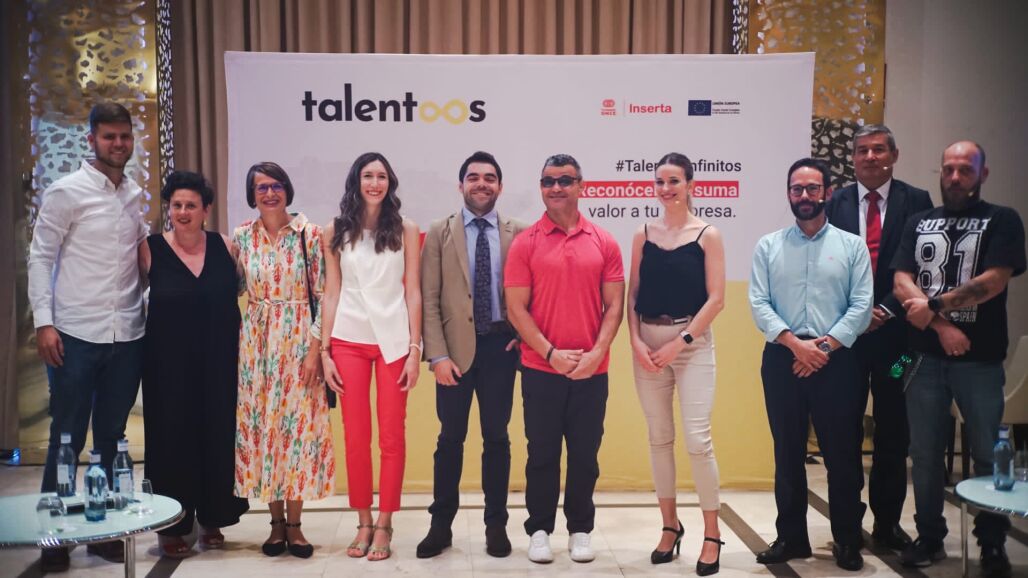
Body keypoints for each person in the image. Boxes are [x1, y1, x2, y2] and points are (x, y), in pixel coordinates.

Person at [893, 141, 1025, 577]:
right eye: (948, 168)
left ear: (982, 174)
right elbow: (901, 280)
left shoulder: (1002, 219)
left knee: (988, 454)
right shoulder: (919, 221)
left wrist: (933, 306)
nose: (954, 177)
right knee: (925, 454)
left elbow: (994, 281)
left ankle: (992, 542)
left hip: (979, 359)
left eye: (965, 169)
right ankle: (929, 537)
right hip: (921, 360)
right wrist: (941, 325)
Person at [28, 102, 148, 571]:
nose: (118, 144)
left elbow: (141, 257)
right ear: (92, 139)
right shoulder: (66, 192)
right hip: (75, 334)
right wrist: (44, 322)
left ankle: (105, 531)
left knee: (112, 439)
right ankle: (54, 537)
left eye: (124, 136)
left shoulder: (134, 195)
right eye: (109, 136)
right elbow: (41, 257)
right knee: (66, 438)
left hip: (128, 334)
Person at [749, 158, 873, 572]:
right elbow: (759, 303)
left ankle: (848, 540)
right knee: (787, 453)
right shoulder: (768, 246)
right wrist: (795, 345)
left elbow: (861, 305)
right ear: (789, 194)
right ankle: (791, 538)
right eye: (797, 189)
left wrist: (821, 347)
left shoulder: (852, 246)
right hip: (783, 359)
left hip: (836, 361)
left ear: (828, 192)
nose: (804, 196)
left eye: (812, 188)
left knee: (843, 455)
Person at [505, 154, 625, 564]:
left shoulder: (604, 241)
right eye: (548, 181)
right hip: (541, 369)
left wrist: (597, 353)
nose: (556, 188)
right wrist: (551, 353)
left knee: (585, 455)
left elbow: (614, 306)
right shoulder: (526, 243)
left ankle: (581, 530)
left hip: (592, 370)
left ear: (580, 186)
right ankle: (539, 529)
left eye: (565, 180)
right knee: (541, 454)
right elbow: (516, 308)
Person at [825, 124, 933, 550]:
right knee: (844, 431)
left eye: (879, 149)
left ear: (894, 154)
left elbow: (923, 265)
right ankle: (847, 525)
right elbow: (827, 266)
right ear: (852, 158)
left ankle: (888, 524)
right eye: (862, 150)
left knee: (894, 430)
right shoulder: (834, 202)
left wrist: (886, 309)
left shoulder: (917, 201)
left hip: (900, 345)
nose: (870, 157)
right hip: (847, 346)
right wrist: (856, 315)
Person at [417, 152, 527, 559]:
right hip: (454, 354)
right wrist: (437, 356)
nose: (482, 183)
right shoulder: (439, 232)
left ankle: (496, 526)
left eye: (490, 178)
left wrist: (523, 338)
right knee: (450, 440)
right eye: (474, 177)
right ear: (461, 184)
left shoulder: (519, 232)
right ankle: (440, 526)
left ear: (500, 186)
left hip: (501, 349)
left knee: (497, 439)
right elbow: (429, 299)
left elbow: (531, 294)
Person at [139, 171, 249, 557]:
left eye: (191, 205)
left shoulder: (226, 246)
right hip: (167, 365)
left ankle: (213, 516)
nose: (183, 212)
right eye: (176, 205)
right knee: (171, 440)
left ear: (206, 209)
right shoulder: (149, 249)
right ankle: (171, 525)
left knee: (217, 435)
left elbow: (240, 289)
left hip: (220, 360)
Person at [627, 152, 726, 574]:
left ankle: (712, 534)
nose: (666, 189)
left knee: (698, 441)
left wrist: (680, 342)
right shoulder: (642, 234)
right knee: (659, 439)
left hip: (692, 346)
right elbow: (633, 295)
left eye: (674, 181)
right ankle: (670, 526)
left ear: (690, 186)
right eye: (660, 182)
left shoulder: (707, 235)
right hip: (647, 346)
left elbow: (716, 299)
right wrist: (635, 340)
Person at [321, 152, 422, 562]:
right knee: (356, 435)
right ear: (356, 181)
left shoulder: (405, 228)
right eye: (368, 176)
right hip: (348, 338)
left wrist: (415, 349)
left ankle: (385, 521)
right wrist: (325, 351)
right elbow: (331, 292)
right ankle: (362, 520)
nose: (375, 183)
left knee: (392, 436)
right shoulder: (335, 230)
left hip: (394, 342)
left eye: (381, 176)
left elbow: (412, 291)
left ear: (390, 183)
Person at [234, 162, 335, 559]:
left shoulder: (310, 234)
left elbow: (324, 295)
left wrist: (315, 351)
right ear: (252, 194)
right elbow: (234, 287)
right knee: (264, 431)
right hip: (256, 347)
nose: (270, 193)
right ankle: (274, 524)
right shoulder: (242, 237)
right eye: (261, 187)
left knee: (298, 434)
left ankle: (295, 524)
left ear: (287, 190)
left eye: (276, 186)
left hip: (298, 343)